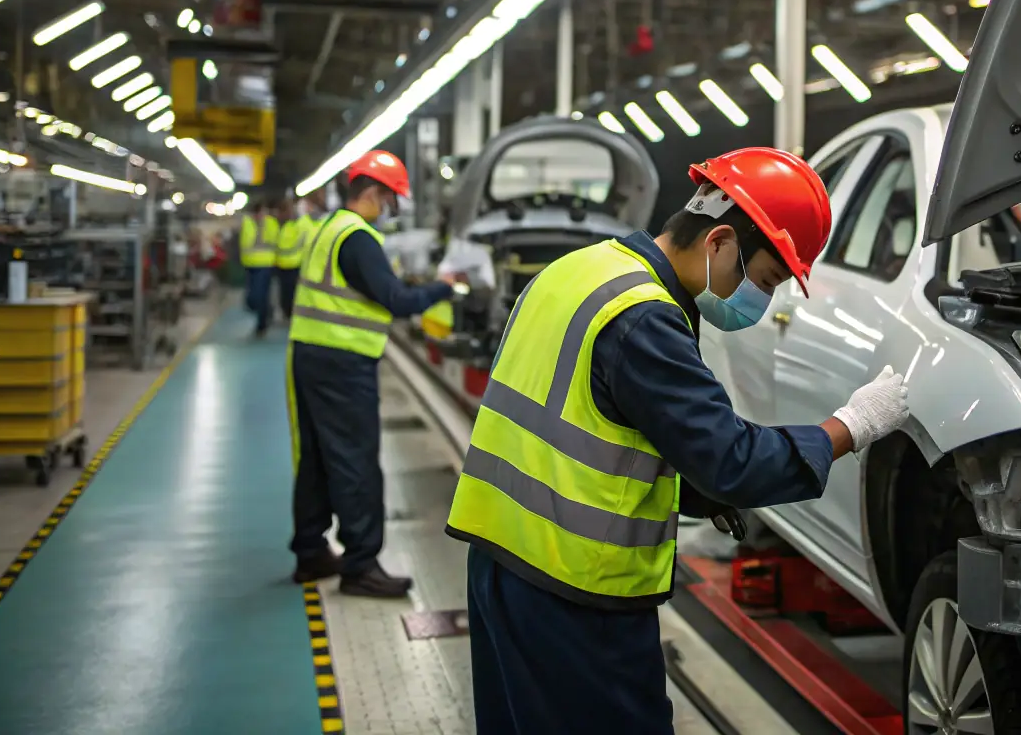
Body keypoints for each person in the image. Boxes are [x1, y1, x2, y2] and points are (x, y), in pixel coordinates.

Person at [444, 147, 911, 735]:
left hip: (499, 560)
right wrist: (851, 426)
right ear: (719, 242)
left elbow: (587, 424)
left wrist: (692, 494)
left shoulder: (577, 270)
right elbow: (732, 462)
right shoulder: (645, 318)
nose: (762, 304)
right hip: (574, 591)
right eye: (764, 280)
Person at [287, 150, 456, 598]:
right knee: (356, 463)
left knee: (320, 458)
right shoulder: (357, 238)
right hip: (342, 364)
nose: (389, 210)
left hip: (313, 355)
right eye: (390, 200)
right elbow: (396, 300)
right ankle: (360, 565)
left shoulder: (330, 227)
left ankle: (311, 551)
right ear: (376, 192)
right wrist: (446, 287)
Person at [239, 199, 279, 337]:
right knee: (252, 297)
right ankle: (266, 313)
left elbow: (275, 242)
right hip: (250, 264)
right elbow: (242, 243)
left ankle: (262, 324)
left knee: (261, 295)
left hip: (266, 264)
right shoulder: (247, 223)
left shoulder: (271, 224)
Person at [275, 198, 316, 321]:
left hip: (293, 265)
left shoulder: (293, 225)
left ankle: (290, 312)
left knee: (290, 292)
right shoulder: (300, 224)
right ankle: (289, 312)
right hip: (288, 265)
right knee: (289, 293)